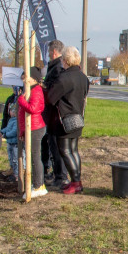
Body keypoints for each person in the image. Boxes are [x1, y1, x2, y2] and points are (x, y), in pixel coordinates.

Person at [46, 45, 89, 194]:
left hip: (64, 120)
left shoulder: (64, 78)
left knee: (65, 151)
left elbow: (51, 99)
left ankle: (76, 182)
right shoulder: (83, 77)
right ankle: (77, 180)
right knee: (74, 150)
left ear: (65, 60)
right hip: (78, 117)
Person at [16, 67, 48, 199]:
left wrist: (21, 100)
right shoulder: (30, 90)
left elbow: (34, 109)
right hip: (30, 128)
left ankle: (39, 185)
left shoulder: (36, 90)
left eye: (25, 76)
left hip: (35, 128)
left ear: (33, 78)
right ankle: (36, 184)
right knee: (32, 157)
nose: (23, 79)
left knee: (35, 158)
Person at [41, 39, 69, 188]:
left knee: (56, 146)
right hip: (51, 113)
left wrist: (44, 88)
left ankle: (60, 176)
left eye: (48, 51)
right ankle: (58, 173)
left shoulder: (57, 68)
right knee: (53, 145)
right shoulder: (56, 67)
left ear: (53, 52)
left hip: (54, 113)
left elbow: (55, 91)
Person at [0, 100, 21, 182]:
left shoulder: (17, 121)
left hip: (15, 143)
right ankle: (13, 172)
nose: (9, 112)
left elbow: (14, 132)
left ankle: (17, 175)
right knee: (11, 158)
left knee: (15, 159)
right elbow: (7, 128)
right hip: (10, 142)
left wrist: (5, 135)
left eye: (10, 111)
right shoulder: (11, 120)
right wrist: (2, 131)